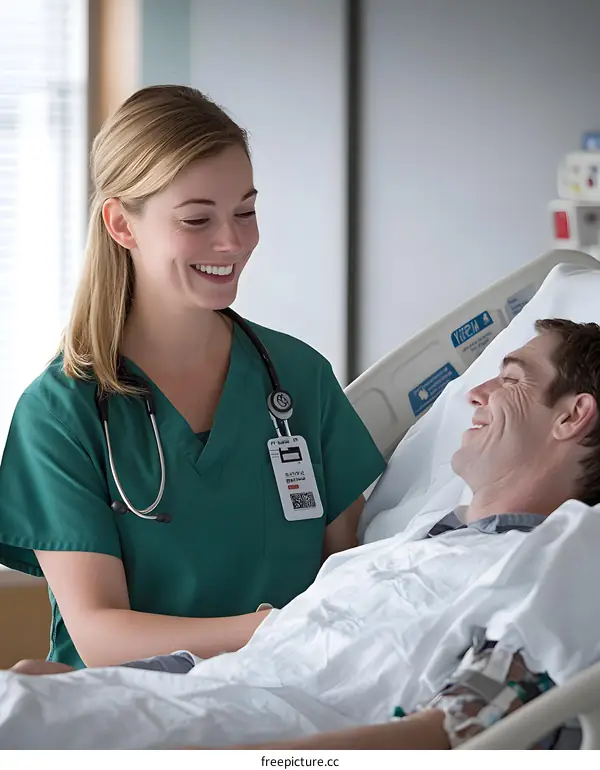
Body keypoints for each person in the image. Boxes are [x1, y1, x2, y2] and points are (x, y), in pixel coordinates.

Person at [3, 317, 600, 751]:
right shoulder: (409, 543)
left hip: (261, 739)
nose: (476, 391)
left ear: (573, 415)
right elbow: (276, 659)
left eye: (513, 380)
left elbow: (455, 732)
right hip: (200, 702)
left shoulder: (566, 554)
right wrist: (112, 685)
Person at [0, 85, 386, 670]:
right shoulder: (61, 413)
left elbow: (349, 573)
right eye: (197, 219)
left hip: (299, 702)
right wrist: (277, 630)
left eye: (245, 211)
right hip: (132, 715)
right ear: (122, 225)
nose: (231, 241)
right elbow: (101, 636)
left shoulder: (299, 379)